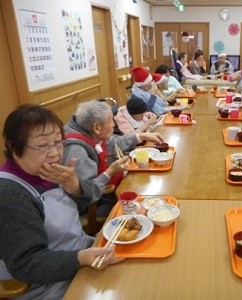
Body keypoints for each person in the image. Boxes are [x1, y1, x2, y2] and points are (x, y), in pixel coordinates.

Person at [0, 104, 123, 299]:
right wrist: (79, 258)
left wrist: (74, 185)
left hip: (82, 253)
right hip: (46, 284)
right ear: (15, 149)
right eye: (42, 145)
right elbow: (27, 264)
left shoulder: (50, 171)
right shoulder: (9, 193)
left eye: (58, 142)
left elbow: (86, 201)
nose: (54, 153)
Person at [63, 100, 164, 217]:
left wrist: (140, 136)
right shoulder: (77, 152)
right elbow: (87, 193)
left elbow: (113, 142)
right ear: (97, 127)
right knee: (147, 198)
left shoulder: (88, 130)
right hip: (96, 204)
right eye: (111, 119)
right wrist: (110, 171)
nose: (114, 124)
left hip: (105, 190)